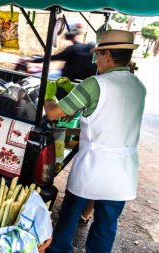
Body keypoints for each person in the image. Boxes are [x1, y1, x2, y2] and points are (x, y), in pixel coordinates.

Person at [44, 30, 146, 252]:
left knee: (69, 217)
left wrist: (49, 95)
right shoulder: (139, 86)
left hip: (93, 168)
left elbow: (53, 114)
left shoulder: (94, 84)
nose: (96, 60)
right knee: (106, 226)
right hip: (122, 172)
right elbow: (112, 119)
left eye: (98, 55)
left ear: (108, 54)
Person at [31, 22, 98, 83]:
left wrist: (33, 60)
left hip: (67, 81)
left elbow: (52, 58)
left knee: (35, 77)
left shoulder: (73, 49)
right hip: (79, 82)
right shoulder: (84, 48)